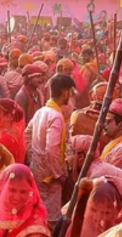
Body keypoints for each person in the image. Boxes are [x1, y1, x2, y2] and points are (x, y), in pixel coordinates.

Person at [28, 74, 76, 227]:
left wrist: (34, 157)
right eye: (70, 91)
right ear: (65, 92)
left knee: (39, 209)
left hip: (37, 169)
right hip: (49, 175)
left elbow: (26, 134)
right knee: (52, 216)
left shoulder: (41, 111)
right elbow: (51, 149)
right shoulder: (55, 116)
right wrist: (58, 174)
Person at [101, 99, 122, 173]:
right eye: (104, 121)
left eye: (108, 121)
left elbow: (111, 177)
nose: (104, 125)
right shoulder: (115, 143)